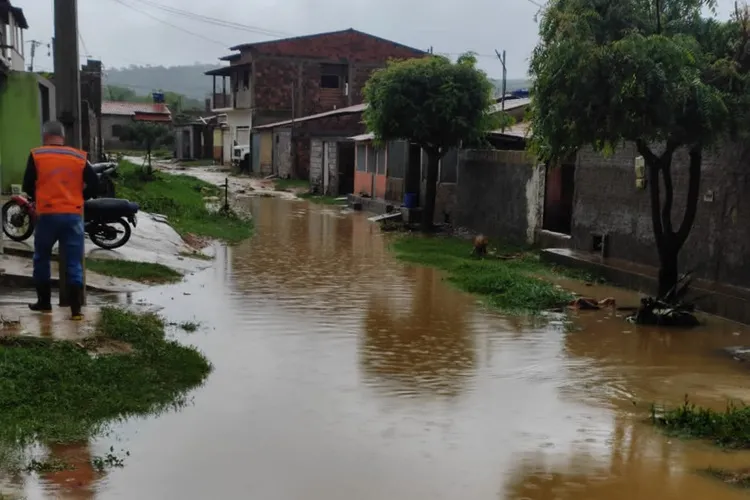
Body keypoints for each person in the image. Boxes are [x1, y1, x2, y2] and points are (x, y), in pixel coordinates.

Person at [22, 121, 99, 320]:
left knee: (42, 258)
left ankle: (45, 304)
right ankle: (75, 311)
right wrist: (80, 197)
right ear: (63, 137)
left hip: (47, 215)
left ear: (45, 135)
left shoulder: (37, 155)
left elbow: (27, 184)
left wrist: (40, 198)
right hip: (72, 216)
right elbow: (95, 183)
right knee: (74, 262)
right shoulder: (78, 156)